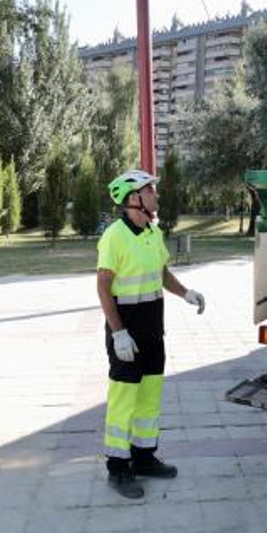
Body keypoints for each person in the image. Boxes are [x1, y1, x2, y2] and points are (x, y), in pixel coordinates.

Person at [97, 169, 206, 499]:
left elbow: (161, 273)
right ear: (133, 199)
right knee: (123, 401)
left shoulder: (152, 232)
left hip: (152, 330)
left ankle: (143, 459)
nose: (156, 196)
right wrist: (118, 334)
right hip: (125, 332)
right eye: (150, 191)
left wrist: (185, 293)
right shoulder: (115, 236)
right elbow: (103, 287)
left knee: (148, 397)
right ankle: (118, 468)